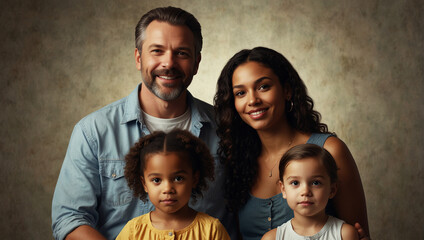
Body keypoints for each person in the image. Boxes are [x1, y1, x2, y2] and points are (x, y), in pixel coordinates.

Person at [52, 6, 236, 240]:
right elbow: (70, 219)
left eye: (182, 53)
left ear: (197, 62)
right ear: (139, 58)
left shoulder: (227, 128)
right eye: (157, 51)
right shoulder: (93, 132)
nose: (168, 63)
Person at [214, 47, 369, 240]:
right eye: (240, 93)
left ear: (287, 90)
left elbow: (359, 234)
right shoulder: (236, 161)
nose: (252, 100)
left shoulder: (329, 150)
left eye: (263, 87)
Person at [116, 130, 231, 239]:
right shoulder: (133, 231)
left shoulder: (211, 230)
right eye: (156, 180)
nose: (167, 189)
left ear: (194, 179)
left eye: (178, 178)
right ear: (144, 184)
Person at [261, 144, 358, 240]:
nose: (305, 191)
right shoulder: (272, 238)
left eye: (316, 183)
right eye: (295, 183)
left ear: (332, 190)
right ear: (283, 189)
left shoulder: (345, 235)